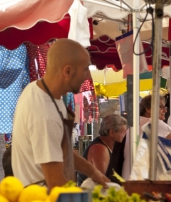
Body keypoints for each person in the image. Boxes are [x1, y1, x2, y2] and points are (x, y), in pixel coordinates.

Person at [12, 38, 109, 188]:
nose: (87, 77)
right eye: (85, 70)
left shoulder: (38, 90)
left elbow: (62, 152)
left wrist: (94, 172)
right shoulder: (44, 113)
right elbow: (55, 183)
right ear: (68, 71)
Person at [77, 114, 127, 186]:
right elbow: (104, 180)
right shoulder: (99, 148)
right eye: (123, 132)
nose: (125, 135)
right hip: (91, 194)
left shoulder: (106, 146)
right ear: (112, 132)